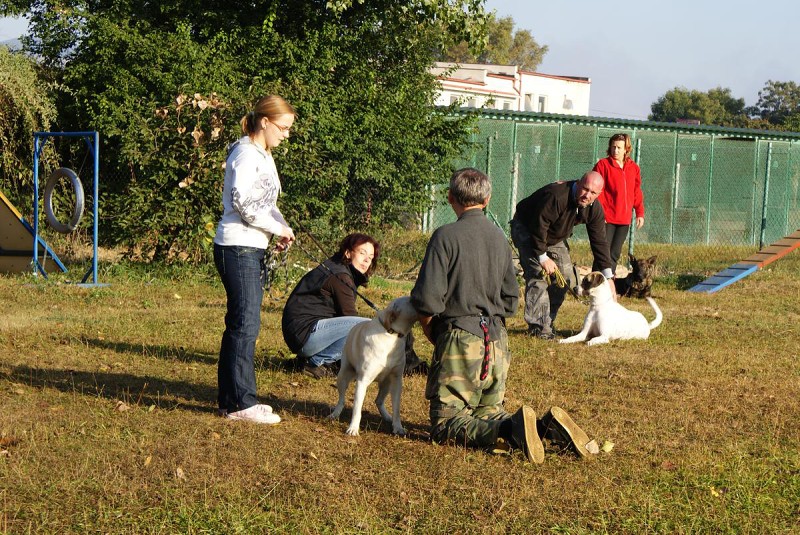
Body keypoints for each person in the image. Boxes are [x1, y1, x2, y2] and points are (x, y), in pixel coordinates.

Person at [410, 168, 592, 463]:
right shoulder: (498, 238)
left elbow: (427, 300)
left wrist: (437, 335)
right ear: (488, 199)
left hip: (460, 337)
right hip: (497, 342)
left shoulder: (445, 236)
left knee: (445, 425)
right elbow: (510, 301)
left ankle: (512, 430)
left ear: (450, 197)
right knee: (488, 411)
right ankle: (548, 430)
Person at [213, 95, 296, 425]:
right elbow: (244, 205)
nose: (286, 134)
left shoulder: (263, 154)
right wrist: (275, 227)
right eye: (283, 127)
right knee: (245, 324)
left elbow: (264, 203)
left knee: (242, 322)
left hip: (251, 246)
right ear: (265, 121)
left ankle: (231, 399)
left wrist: (282, 229)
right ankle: (240, 404)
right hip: (237, 247)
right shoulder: (246, 153)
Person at [510, 171, 614, 340]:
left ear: (599, 194)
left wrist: (609, 277)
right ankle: (538, 328)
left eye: (593, 193)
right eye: (585, 189)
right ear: (578, 183)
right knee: (538, 275)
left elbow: (599, 242)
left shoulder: (594, 208)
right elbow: (539, 226)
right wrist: (542, 257)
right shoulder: (557, 196)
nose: (587, 195)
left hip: (554, 235)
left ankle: (547, 322)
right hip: (528, 228)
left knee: (565, 277)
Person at [282, 233, 379, 379]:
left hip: (299, 335)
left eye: (370, 257)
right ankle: (316, 362)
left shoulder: (337, 268)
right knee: (365, 327)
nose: (366, 260)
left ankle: (305, 360)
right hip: (305, 334)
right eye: (362, 253)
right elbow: (350, 318)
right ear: (347, 252)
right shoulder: (341, 276)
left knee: (360, 327)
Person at [593, 133, 645, 268]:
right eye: (613, 147)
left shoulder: (633, 168)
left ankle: (609, 283)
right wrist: (600, 213)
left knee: (614, 254)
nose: (615, 150)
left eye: (619, 148)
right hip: (607, 219)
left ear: (626, 149)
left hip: (624, 220)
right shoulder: (603, 165)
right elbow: (597, 191)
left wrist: (639, 213)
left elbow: (636, 191)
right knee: (603, 254)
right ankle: (593, 285)